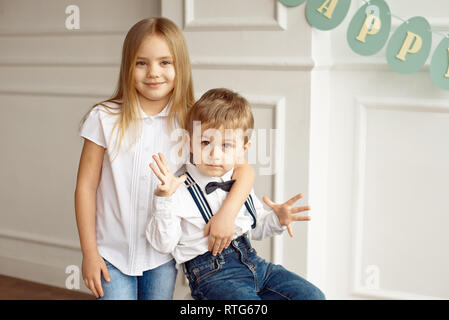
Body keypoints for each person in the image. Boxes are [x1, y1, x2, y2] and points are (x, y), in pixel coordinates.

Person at [74, 18, 255, 300]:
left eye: (164, 63)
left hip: (162, 256)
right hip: (110, 254)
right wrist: (89, 252)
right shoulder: (104, 117)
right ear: (127, 66)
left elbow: (243, 170)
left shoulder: (191, 119)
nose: (153, 73)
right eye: (141, 63)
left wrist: (227, 214)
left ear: (179, 66)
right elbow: (85, 187)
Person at [147, 88, 326, 300]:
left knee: (312, 296)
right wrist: (163, 199)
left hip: (256, 265)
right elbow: (163, 244)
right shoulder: (178, 187)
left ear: (243, 148)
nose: (214, 154)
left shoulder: (239, 182)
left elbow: (257, 227)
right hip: (212, 275)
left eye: (226, 145)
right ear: (189, 142)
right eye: (205, 142)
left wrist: (277, 219)